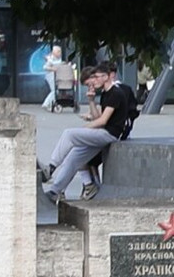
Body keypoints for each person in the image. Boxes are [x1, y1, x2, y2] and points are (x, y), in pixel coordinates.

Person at [40, 64, 129, 204]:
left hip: (109, 134)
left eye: (97, 77)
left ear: (106, 77)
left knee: (69, 134)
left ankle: (51, 167)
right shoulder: (106, 93)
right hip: (101, 133)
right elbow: (97, 117)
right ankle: (54, 192)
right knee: (73, 158)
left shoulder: (116, 93)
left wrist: (85, 128)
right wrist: (91, 100)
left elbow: (103, 121)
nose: (95, 81)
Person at [41, 45, 63, 109]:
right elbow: (44, 67)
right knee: (54, 91)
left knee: (56, 91)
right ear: (54, 52)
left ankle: (50, 103)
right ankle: (46, 103)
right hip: (51, 76)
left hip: (57, 76)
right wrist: (52, 69)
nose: (60, 53)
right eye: (58, 52)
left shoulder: (59, 58)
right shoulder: (51, 59)